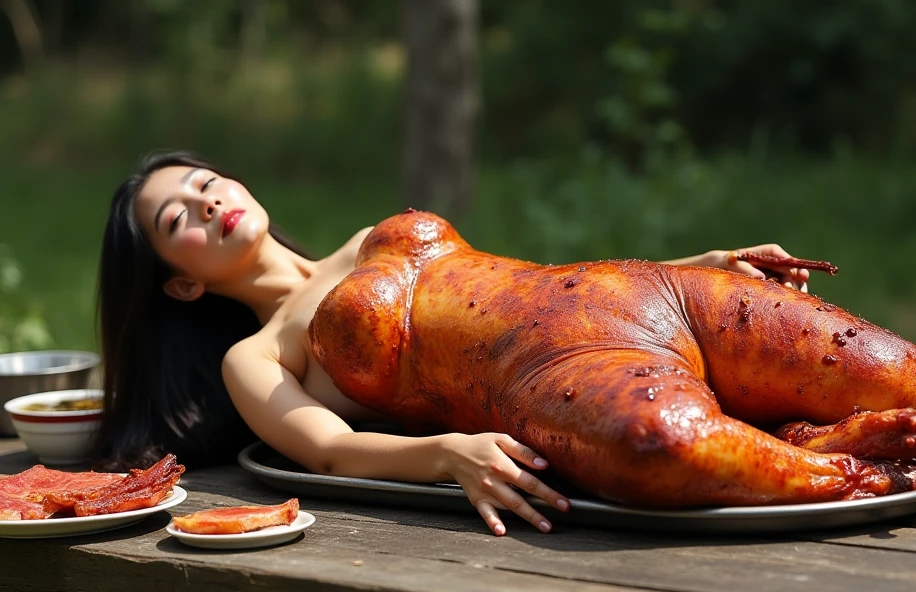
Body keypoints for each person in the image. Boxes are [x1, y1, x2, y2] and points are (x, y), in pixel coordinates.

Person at [92, 151, 813, 536]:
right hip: (564, 407)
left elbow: (538, 289)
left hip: (619, 329)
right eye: (177, 218)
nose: (208, 200)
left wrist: (690, 271)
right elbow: (328, 450)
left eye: (206, 181)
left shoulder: (371, 239)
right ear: (181, 285)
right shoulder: (254, 357)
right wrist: (443, 455)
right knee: (688, 451)